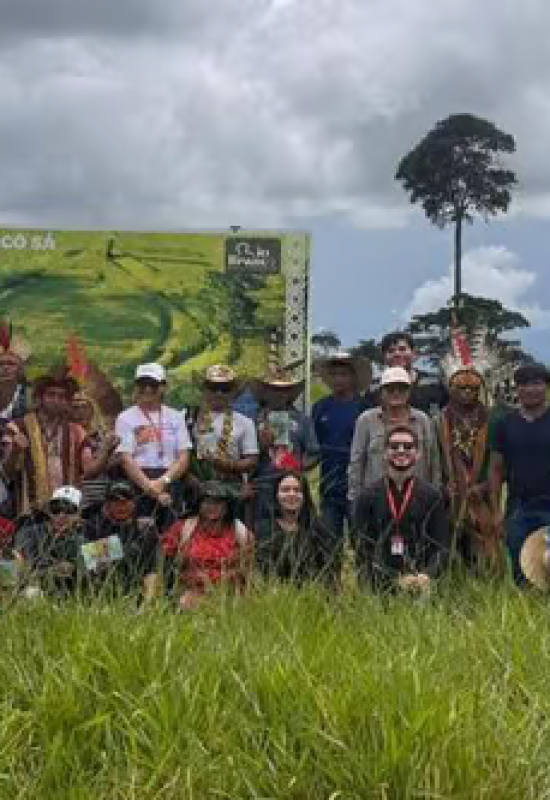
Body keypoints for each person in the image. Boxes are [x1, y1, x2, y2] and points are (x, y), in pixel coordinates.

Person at [352, 425, 450, 593]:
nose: (401, 450)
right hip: (378, 585)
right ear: (384, 453)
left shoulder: (432, 496)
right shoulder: (367, 497)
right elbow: (361, 548)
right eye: (394, 446)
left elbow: (441, 546)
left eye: (408, 446)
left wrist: (427, 575)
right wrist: (395, 579)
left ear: (418, 454)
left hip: (422, 584)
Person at [438, 341, 502, 570]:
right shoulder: (440, 420)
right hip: (450, 493)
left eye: (473, 389)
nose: (467, 393)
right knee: (453, 540)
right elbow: (436, 458)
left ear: (481, 390)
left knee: (484, 541)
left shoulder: (491, 420)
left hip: (482, 492)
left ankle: (486, 578)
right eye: (461, 388)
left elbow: (498, 462)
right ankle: (454, 579)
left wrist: (485, 486)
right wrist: (445, 484)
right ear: (451, 388)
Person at [312, 350, 372, 582]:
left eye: (343, 374)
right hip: (329, 485)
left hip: (358, 484)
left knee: (362, 540)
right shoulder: (320, 408)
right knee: (328, 541)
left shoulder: (364, 408)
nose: (338, 379)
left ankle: (366, 586)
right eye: (334, 374)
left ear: (353, 377)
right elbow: (313, 446)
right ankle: (331, 592)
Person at [489, 363, 550, 584]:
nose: (530, 389)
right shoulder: (503, 423)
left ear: (546, 386)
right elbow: (496, 469)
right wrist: (496, 511)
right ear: (517, 389)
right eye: (524, 384)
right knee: (521, 571)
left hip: (549, 505)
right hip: (518, 508)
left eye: (536, 383)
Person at [348, 367, 441, 509]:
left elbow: (433, 460)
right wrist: (354, 500)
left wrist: (435, 496)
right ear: (381, 392)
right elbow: (356, 461)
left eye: (401, 389)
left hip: (418, 499)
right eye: (390, 389)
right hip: (376, 500)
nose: (396, 393)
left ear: (409, 392)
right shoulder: (366, 419)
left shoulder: (422, 420)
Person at [7, 368, 91, 515]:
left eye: (62, 396)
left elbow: (89, 470)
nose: (56, 400)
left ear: (67, 402)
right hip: (29, 514)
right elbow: (7, 472)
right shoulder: (17, 427)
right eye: (51, 395)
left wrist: (107, 451)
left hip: (67, 512)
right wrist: (15, 450)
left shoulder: (77, 431)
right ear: (39, 398)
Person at [158, 481, 254, 609]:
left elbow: (249, 570)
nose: (212, 506)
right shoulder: (183, 528)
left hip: (230, 597)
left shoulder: (241, 532)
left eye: (218, 502)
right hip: (189, 596)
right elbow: (163, 559)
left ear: (227, 506)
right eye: (207, 502)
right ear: (199, 504)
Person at [115, 363, 191, 523]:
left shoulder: (176, 417)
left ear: (163, 387)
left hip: (170, 480)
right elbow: (125, 458)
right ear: (136, 386)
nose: (148, 389)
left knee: (171, 534)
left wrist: (163, 482)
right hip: (138, 482)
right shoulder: (125, 418)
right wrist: (149, 487)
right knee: (141, 534)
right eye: (143, 384)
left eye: (153, 384)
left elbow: (184, 457)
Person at [250, 365, 319, 534]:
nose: (278, 394)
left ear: (290, 393)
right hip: (262, 487)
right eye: (273, 389)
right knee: (263, 532)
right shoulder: (253, 420)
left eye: (284, 390)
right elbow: (245, 457)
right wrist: (261, 446)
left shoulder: (303, 420)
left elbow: (314, 452)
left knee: (297, 531)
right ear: (265, 392)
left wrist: (296, 469)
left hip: (292, 488)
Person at [81, 480, 159, 598]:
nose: (121, 506)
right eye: (115, 501)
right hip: (101, 594)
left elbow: (152, 570)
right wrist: (126, 545)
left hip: (137, 593)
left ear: (134, 502)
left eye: (126, 501)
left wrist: (147, 605)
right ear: (107, 504)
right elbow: (89, 561)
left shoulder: (145, 528)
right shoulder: (92, 526)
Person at [189, 365, 259, 492]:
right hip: (197, 486)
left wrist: (228, 465)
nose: (219, 393)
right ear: (205, 390)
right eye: (213, 388)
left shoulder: (245, 422)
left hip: (231, 485)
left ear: (233, 392)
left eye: (225, 389)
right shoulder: (190, 418)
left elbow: (252, 460)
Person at [257, 470, 333, 585]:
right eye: (285, 490)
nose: (291, 494)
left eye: (297, 490)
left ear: (304, 496)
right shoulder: (264, 529)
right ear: (276, 495)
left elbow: (327, 572)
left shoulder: (317, 529)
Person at [13, 486, 85, 597]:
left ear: (79, 515)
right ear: (49, 511)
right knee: (32, 593)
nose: (61, 515)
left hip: (72, 594)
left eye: (69, 510)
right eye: (56, 509)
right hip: (37, 590)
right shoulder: (29, 533)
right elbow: (21, 571)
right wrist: (52, 570)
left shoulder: (84, 536)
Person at [363, 332, 448, 416]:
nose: (397, 354)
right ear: (384, 357)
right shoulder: (374, 389)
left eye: (402, 349)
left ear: (414, 353)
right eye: (391, 351)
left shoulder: (434, 382)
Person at [71, 391, 121, 510]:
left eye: (84, 407)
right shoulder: (67, 436)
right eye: (75, 408)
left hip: (101, 495)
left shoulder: (105, 436)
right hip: (74, 495)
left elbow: (115, 462)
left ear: (92, 409)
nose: (80, 411)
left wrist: (107, 454)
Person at [0, 319, 32, 423]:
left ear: (21, 369)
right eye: (1, 364)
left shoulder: (30, 397)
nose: (5, 368)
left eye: (11, 364)